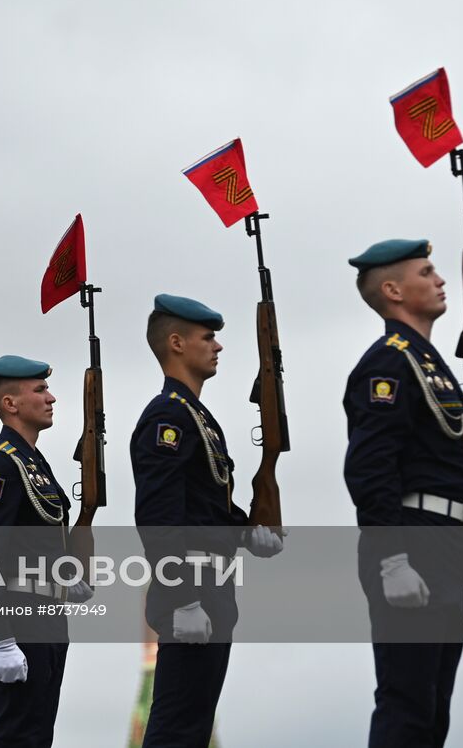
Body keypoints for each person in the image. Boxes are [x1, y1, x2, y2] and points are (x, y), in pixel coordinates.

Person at [344, 239, 463, 747]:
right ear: (393, 290)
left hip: (445, 542)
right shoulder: (388, 363)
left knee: (433, 711)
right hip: (410, 542)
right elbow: (369, 469)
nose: (440, 279)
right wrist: (391, 560)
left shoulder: (429, 363)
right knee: (407, 704)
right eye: (427, 272)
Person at [130, 294, 283, 748]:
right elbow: (160, 516)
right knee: (176, 728)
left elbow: (204, 509)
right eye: (207, 337)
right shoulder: (168, 417)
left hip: (213, 584)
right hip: (191, 586)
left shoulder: (198, 417)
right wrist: (182, 598)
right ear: (176, 343)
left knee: (193, 728)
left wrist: (248, 534)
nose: (217, 346)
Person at [0, 355, 90, 748]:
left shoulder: (32, 462)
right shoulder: (0, 465)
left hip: (48, 618)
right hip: (20, 622)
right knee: (17, 737)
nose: (51, 397)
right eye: (39, 390)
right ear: (10, 404)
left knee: (36, 738)